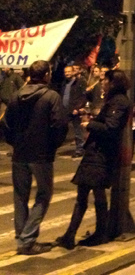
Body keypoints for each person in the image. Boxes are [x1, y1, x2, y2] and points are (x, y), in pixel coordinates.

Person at [56, 70, 131, 249]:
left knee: (97, 194)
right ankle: (71, 235)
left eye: (105, 80)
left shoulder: (120, 101)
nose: (102, 82)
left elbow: (112, 127)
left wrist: (89, 124)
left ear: (114, 82)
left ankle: (99, 233)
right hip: (94, 152)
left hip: (102, 154)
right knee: (83, 194)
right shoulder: (113, 100)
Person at [2, 61, 67, 255]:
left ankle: (22, 238)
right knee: (44, 195)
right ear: (46, 75)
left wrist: (16, 143)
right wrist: (51, 146)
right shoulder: (51, 96)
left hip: (20, 154)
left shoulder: (16, 96)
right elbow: (60, 125)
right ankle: (27, 239)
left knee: (20, 197)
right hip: (40, 155)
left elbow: (6, 125)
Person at [60, 65, 88, 158]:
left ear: (73, 72)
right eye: (65, 72)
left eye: (69, 71)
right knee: (61, 128)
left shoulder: (79, 82)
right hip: (65, 110)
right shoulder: (64, 83)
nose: (67, 73)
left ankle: (80, 149)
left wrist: (77, 108)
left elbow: (83, 96)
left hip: (75, 110)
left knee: (77, 131)